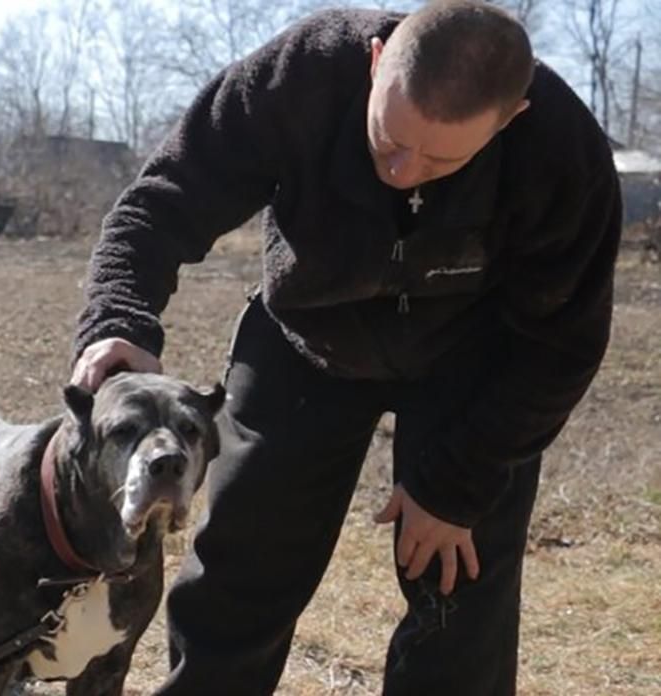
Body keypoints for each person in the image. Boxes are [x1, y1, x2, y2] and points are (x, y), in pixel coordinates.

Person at [69, 2, 620, 694]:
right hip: (307, 337)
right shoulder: (299, 76)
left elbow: (562, 344)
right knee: (243, 563)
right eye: (388, 137)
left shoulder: (561, 151)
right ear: (374, 64)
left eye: (440, 158)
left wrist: (455, 487)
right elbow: (163, 203)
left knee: (459, 589)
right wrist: (119, 320)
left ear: (509, 120)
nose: (403, 168)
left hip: (475, 363)